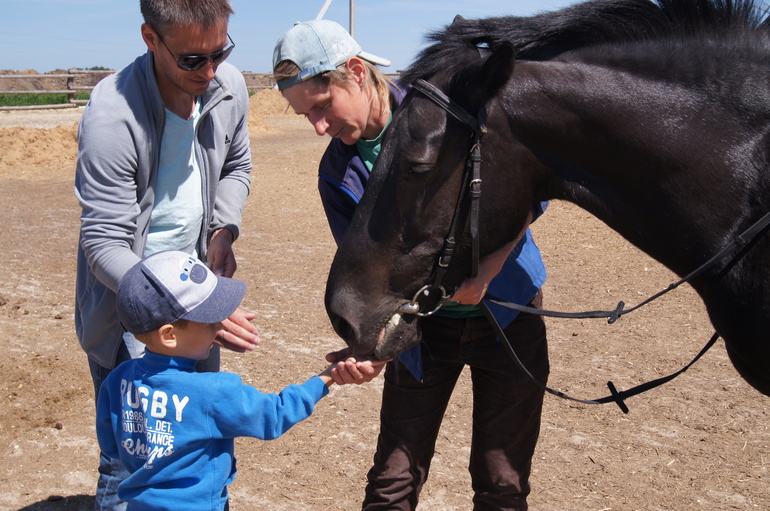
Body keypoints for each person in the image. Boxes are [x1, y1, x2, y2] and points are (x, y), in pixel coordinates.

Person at [273, 20, 550, 510]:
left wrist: (486, 273)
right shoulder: (336, 174)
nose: (320, 128)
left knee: (502, 481)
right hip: (425, 334)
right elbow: (376, 279)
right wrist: (374, 348)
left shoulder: (450, 112)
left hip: (508, 313)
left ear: (356, 73)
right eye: (306, 117)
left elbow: (532, 196)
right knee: (392, 481)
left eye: (321, 107)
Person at [74, 0, 258, 508]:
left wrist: (223, 228)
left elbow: (237, 165)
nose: (211, 71)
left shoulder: (229, 88)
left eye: (220, 52)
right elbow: (103, 244)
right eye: (192, 60)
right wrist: (186, 303)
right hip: (130, 306)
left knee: (197, 432)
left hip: (194, 291)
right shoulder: (112, 114)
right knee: (131, 453)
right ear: (151, 38)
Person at [96, 250, 362, 510]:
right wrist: (327, 377)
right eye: (209, 321)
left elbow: (111, 444)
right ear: (169, 335)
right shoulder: (212, 391)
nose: (220, 327)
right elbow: (274, 415)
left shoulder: (118, 379)